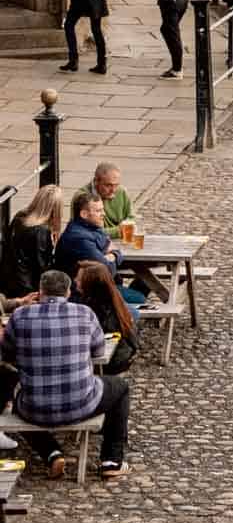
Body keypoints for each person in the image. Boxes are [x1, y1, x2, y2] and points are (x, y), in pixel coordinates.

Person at [0, 268, 132, 479]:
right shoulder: (85, 313)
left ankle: (52, 453)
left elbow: (6, 352)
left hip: (35, 409)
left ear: (40, 292)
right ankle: (111, 460)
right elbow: (98, 351)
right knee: (121, 388)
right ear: (68, 292)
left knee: (18, 405)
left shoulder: (19, 316)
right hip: (81, 404)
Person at [0, 184, 66, 301]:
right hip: (26, 288)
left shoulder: (20, 217)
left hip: (9, 279)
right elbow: (41, 267)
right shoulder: (41, 231)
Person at [72, 261, 138, 374]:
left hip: (111, 362)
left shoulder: (95, 309)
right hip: (123, 354)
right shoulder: (113, 297)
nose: (75, 281)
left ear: (90, 284)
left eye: (79, 279)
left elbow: (91, 344)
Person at [55, 189, 118, 275]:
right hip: (81, 287)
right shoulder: (79, 238)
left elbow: (110, 246)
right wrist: (114, 254)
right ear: (84, 214)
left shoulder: (92, 227)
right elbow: (107, 271)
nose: (104, 214)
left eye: (102, 210)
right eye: (98, 211)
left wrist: (112, 254)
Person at [76, 162, 133, 237]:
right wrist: (119, 231)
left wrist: (127, 226)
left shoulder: (121, 191)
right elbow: (84, 233)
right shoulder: (81, 197)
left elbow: (132, 219)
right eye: (108, 185)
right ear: (96, 181)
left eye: (116, 185)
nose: (113, 190)